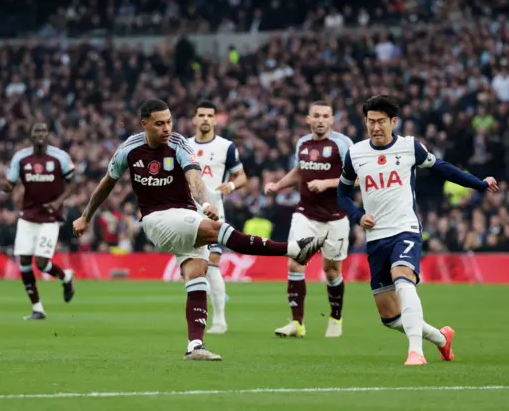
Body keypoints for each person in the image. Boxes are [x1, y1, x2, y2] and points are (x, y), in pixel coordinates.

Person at [72, 99, 325, 361]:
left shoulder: (180, 144)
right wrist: (85, 216)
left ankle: (195, 345)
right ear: (144, 124)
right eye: (159, 123)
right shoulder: (129, 149)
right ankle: (294, 249)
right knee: (217, 231)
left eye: (169, 121)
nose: (167, 128)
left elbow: (195, 178)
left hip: (186, 214)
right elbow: (106, 183)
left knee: (197, 273)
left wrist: (204, 204)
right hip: (157, 219)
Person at [337, 95, 499, 365]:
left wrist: (479, 184)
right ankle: (441, 339)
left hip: (406, 229)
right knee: (390, 318)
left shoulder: (410, 147)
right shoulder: (355, 154)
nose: (375, 127)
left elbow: (444, 169)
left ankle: (416, 353)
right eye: (370, 122)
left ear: (393, 122)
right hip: (376, 237)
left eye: (380, 122)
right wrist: (357, 215)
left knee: (403, 279)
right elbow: (342, 194)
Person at [265, 101, 353, 338]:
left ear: (332, 119)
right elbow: (298, 171)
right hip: (305, 213)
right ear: (309, 119)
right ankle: (297, 323)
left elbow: (356, 178)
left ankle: (335, 318)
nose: (321, 120)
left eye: (326, 116)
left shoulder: (342, 144)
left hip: (335, 216)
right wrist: (278, 185)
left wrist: (326, 183)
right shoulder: (302, 143)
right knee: (295, 263)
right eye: (317, 116)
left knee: (332, 271)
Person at [0, 123, 76, 320]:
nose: (40, 134)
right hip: (28, 216)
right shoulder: (21, 157)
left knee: (41, 263)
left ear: (48, 135)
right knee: (24, 262)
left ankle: (66, 277)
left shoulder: (60, 157)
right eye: (36, 131)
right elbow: (11, 183)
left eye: (43, 131)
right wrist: (5, 187)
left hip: (50, 217)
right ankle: (37, 309)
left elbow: (72, 182)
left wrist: (58, 202)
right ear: (31, 136)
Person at [186, 100, 248, 335]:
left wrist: (231, 185)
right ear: (194, 119)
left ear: (215, 120)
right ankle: (200, 316)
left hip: (214, 213)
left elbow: (242, 177)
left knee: (212, 263)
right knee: (195, 267)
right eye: (200, 115)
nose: (205, 119)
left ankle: (220, 320)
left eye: (209, 115)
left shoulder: (226, 147)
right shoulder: (184, 146)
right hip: (189, 214)